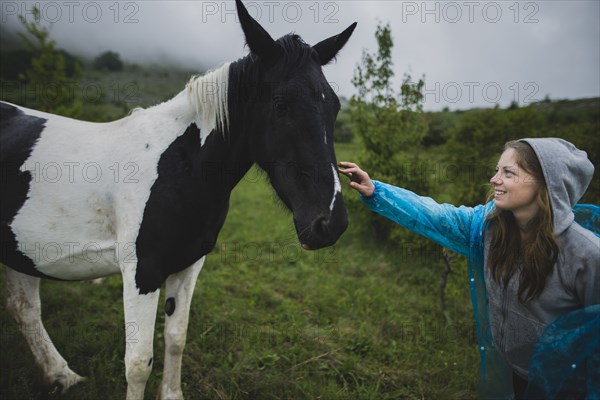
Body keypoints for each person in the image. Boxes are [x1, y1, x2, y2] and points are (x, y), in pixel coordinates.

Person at [338, 138, 599, 400]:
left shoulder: (587, 255)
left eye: (508, 173)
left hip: (569, 385)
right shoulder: (489, 228)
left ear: (547, 184)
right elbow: (438, 216)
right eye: (497, 170)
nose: (494, 179)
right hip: (519, 375)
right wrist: (377, 191)